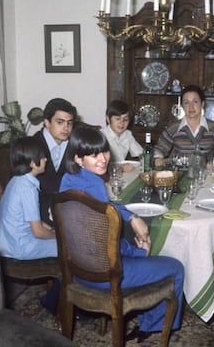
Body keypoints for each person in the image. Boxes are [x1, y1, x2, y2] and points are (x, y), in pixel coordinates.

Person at [59, 125, 184, 342]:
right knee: (175, 267)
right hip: (104, 276)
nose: (103, 158)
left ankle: (146, 316)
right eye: (93, 154)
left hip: (77, 271)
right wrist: (139, 253)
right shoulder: (95, 186)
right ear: (78, 159)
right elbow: (107, 241)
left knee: (133, 248)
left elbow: (103, 214)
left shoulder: (69, 182)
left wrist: (130, 216)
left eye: (104, 151)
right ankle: (154, 327)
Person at [0, 137, 57, 259]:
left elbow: (33, 220)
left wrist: (52, 229)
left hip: (7, 244)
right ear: (33, 163)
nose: (46, 159)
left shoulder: (16, 181)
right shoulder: (28, 189)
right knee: (70, 247)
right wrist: (57, 237)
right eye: (43, 156)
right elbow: (38, 231)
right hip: (19, 248)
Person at [153, 84, 214, 167]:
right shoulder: (174, 128)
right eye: (186, 102)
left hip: (205, 176)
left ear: (202, 104)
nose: (191, 107)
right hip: (179, 175)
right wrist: (158, 158)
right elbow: (160, 149)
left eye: (195, 102)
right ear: (182, 106)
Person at [34, 97, 77, 225]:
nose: (66, 128)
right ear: (47, 122)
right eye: (60, 122)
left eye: (69, 123)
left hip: (66, 202)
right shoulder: (33, 146)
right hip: (37, 209)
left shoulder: (73, 145)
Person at [101, 100, 143, 171]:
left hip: (120, 174)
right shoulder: (101, 136)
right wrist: (119, 167)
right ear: (108, 119)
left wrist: (154, 158)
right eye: (118, 119)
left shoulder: (127, 134)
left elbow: (140, 154)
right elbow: (98, 165)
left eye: (126, 119)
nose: (122, 123)